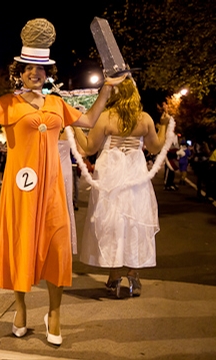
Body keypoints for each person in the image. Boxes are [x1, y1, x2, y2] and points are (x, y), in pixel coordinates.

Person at [0, 18, 125, 345]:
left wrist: (106, 91)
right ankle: (21, 307)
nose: (34, 73)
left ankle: (54, 313)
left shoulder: (57, 104)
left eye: (40, 69)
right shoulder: (8, 103)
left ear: (47, 73)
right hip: (20, 191)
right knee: (22, 247)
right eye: (28, 67)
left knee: (56, 249)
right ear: (20, 70)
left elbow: (87, 120)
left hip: (53, 189)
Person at [74, 78, 172, 299]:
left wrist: (75, 125)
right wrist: (164, 124)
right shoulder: (145, 119)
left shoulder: (106, 118)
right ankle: (133, 275)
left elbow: (89, 148)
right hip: (136, 175)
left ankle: (114, 275)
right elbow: (156, 147)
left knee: (112, 223)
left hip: (110, 175)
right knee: (134, 221)